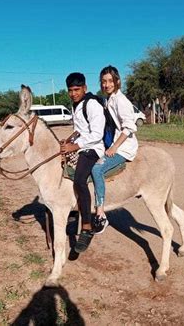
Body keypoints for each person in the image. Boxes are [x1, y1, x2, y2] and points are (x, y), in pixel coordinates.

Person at [60, 72, 105, 253]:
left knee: (79, 180)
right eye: (70, 90)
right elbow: (78, 129)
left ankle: (86, 228)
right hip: (80, 146)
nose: (73, 93)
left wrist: (75, 146)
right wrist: (68, 140)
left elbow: (97, 134)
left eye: (77, 89)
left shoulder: (92, 104)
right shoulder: (75, 105)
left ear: (84, 88)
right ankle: (73, 213)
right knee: (63, 170)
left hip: (93, 148)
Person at [91, 65, 138, 234]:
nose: (106, 84)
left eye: (110, 81)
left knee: (97, 169)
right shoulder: (109, 99)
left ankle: (101, 214)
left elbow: (129, 127)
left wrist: (114, 147)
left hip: (123, 148)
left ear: (117, 81)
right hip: (113, 144)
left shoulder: (121, 101)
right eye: (104, 81)